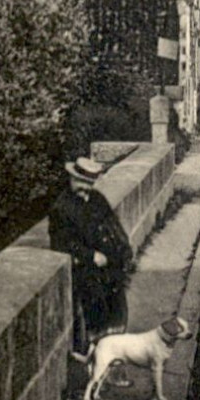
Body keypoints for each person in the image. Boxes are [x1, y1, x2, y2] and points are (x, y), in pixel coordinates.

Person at [49, 156, 136, 380]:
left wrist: (122, 250)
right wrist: (90, 255)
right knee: (95, 313)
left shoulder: (97, 199)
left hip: (109, 268)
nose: (84, 187)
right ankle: (97, 368)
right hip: (87, 270)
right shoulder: (62, 207)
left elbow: (112, 225)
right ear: (71, 178)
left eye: (88, 183)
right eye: (80, 182)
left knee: (117, 311)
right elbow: (61, 243)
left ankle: (114, 363)